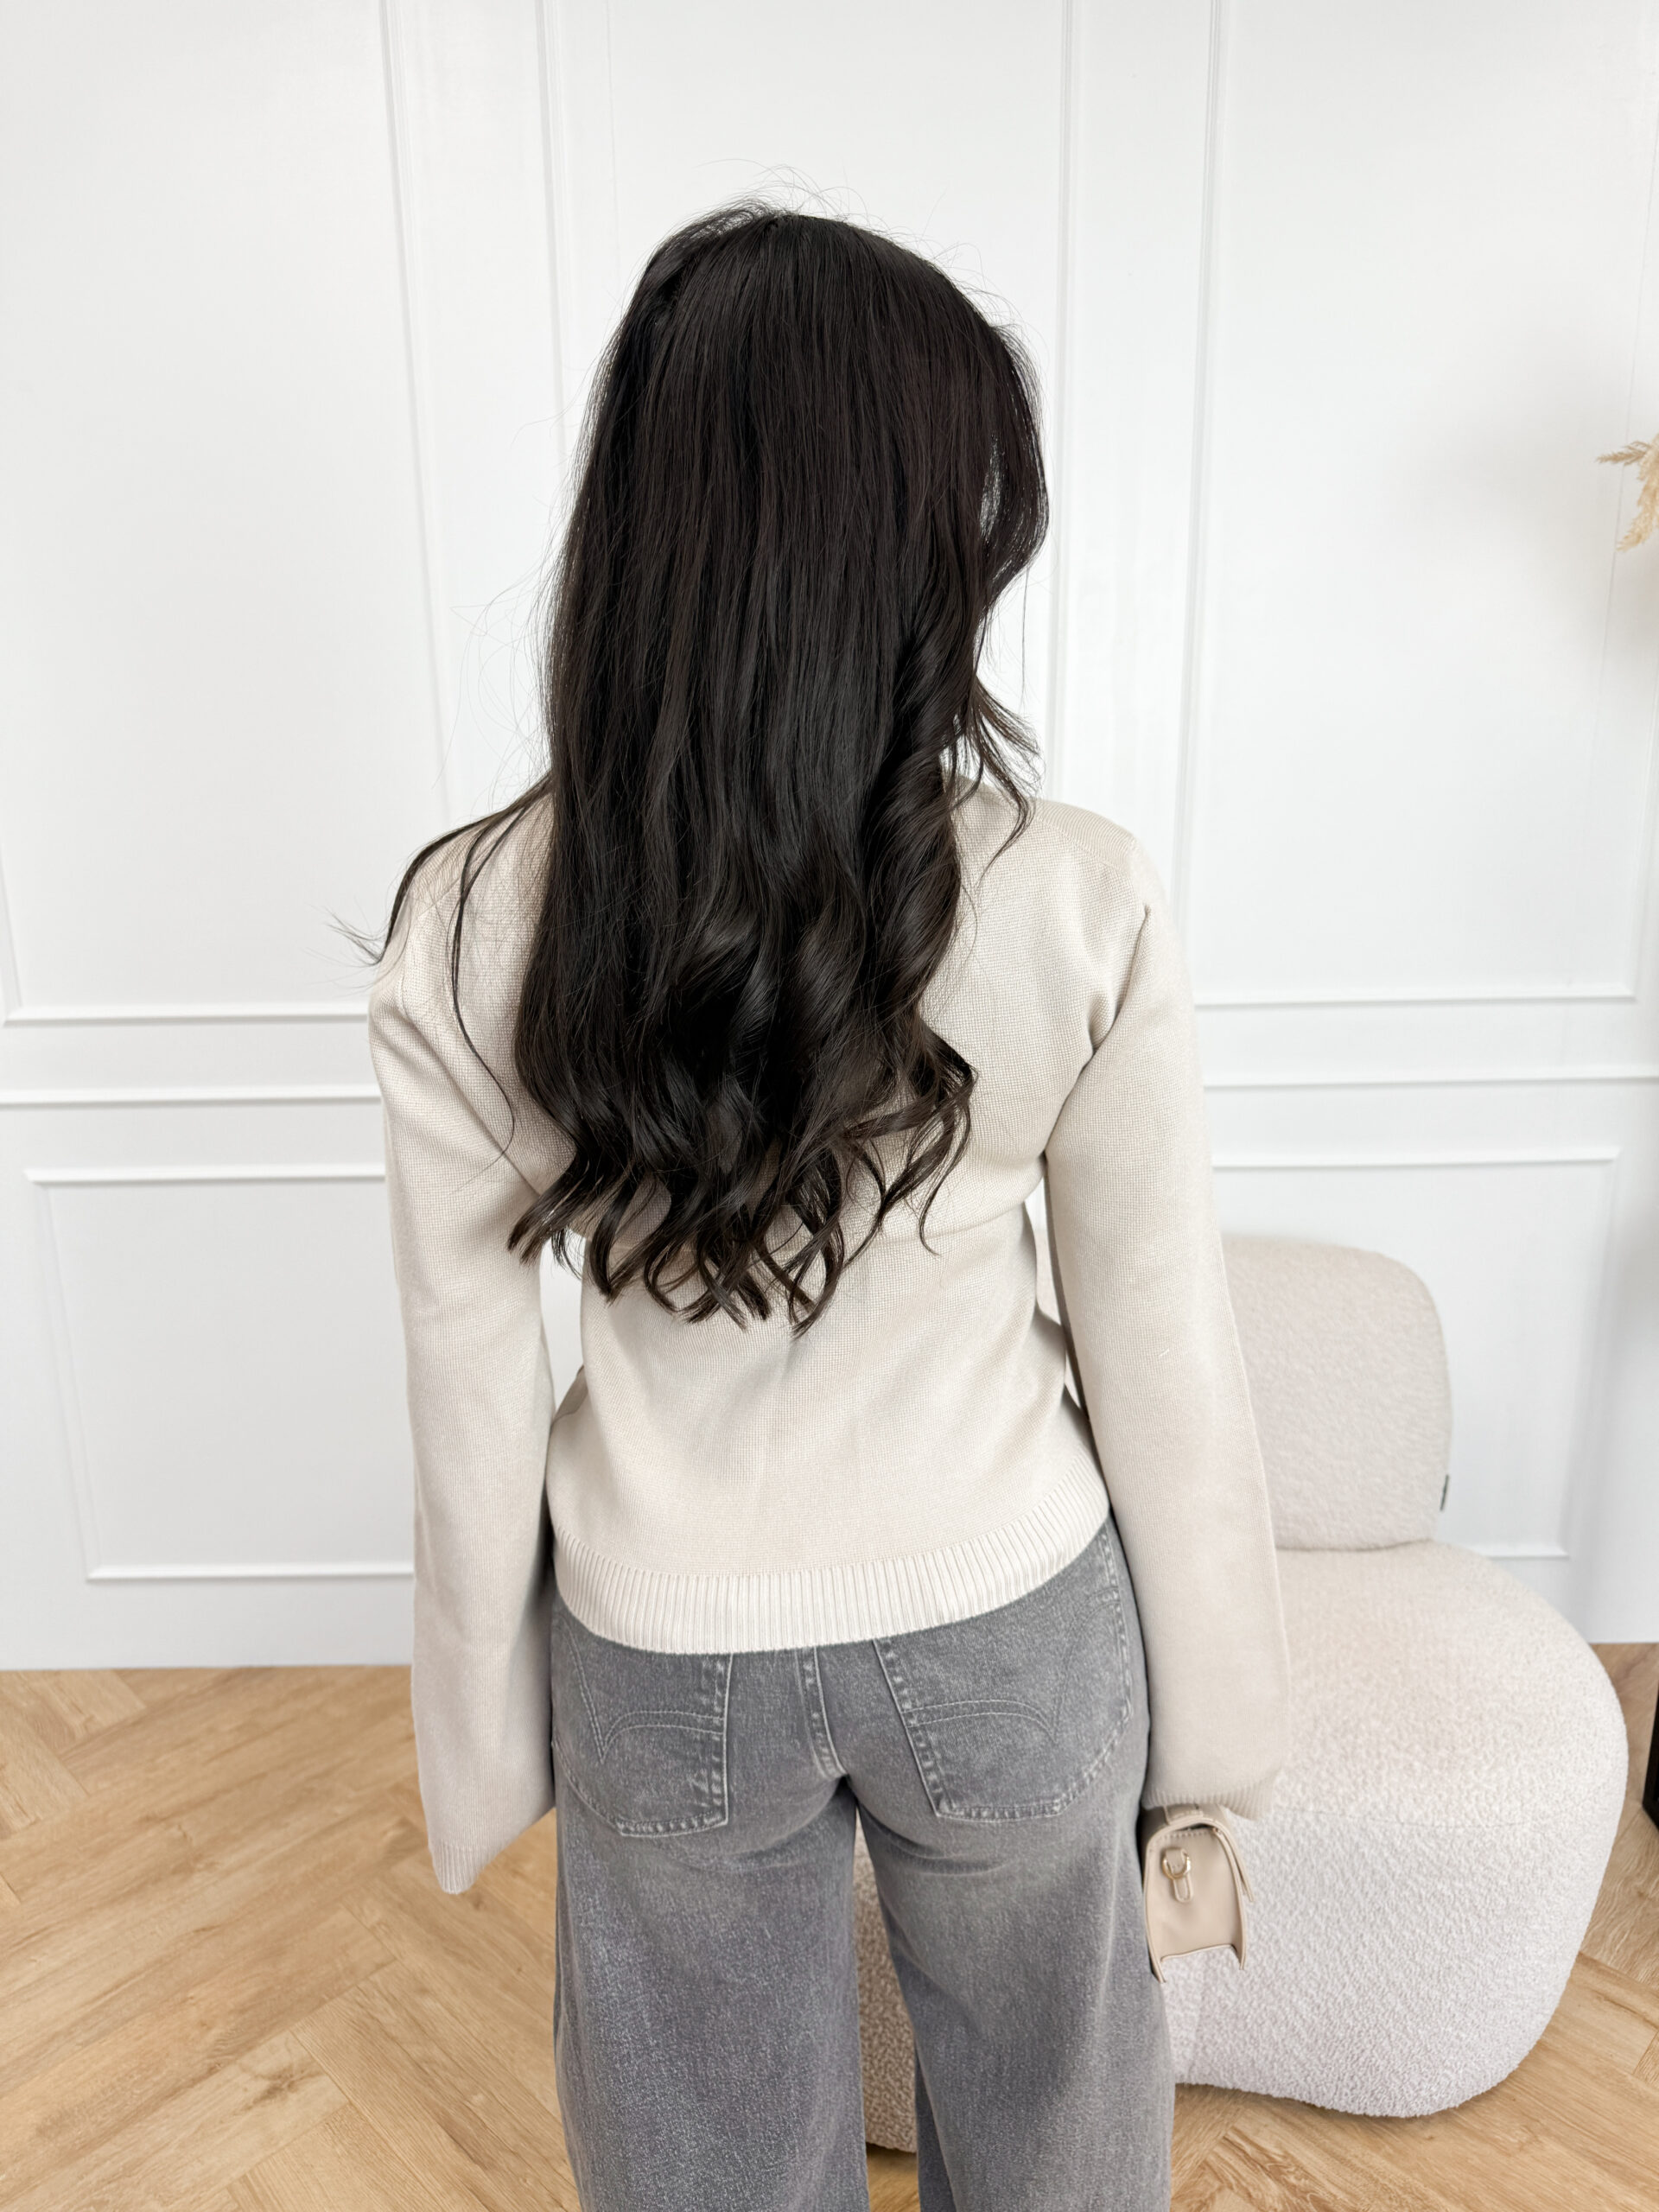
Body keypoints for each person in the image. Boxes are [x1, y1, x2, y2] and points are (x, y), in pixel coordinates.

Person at [362, 200, 1291, 2212]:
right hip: (1009, 1622)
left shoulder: (467, 922)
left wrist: (489, 1751)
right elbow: (1164, 1345)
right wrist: (1217, 1747)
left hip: (662, 1649)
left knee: (700, 2172)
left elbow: (465, 1395)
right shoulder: (1076, 891)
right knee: (1060, 2150)